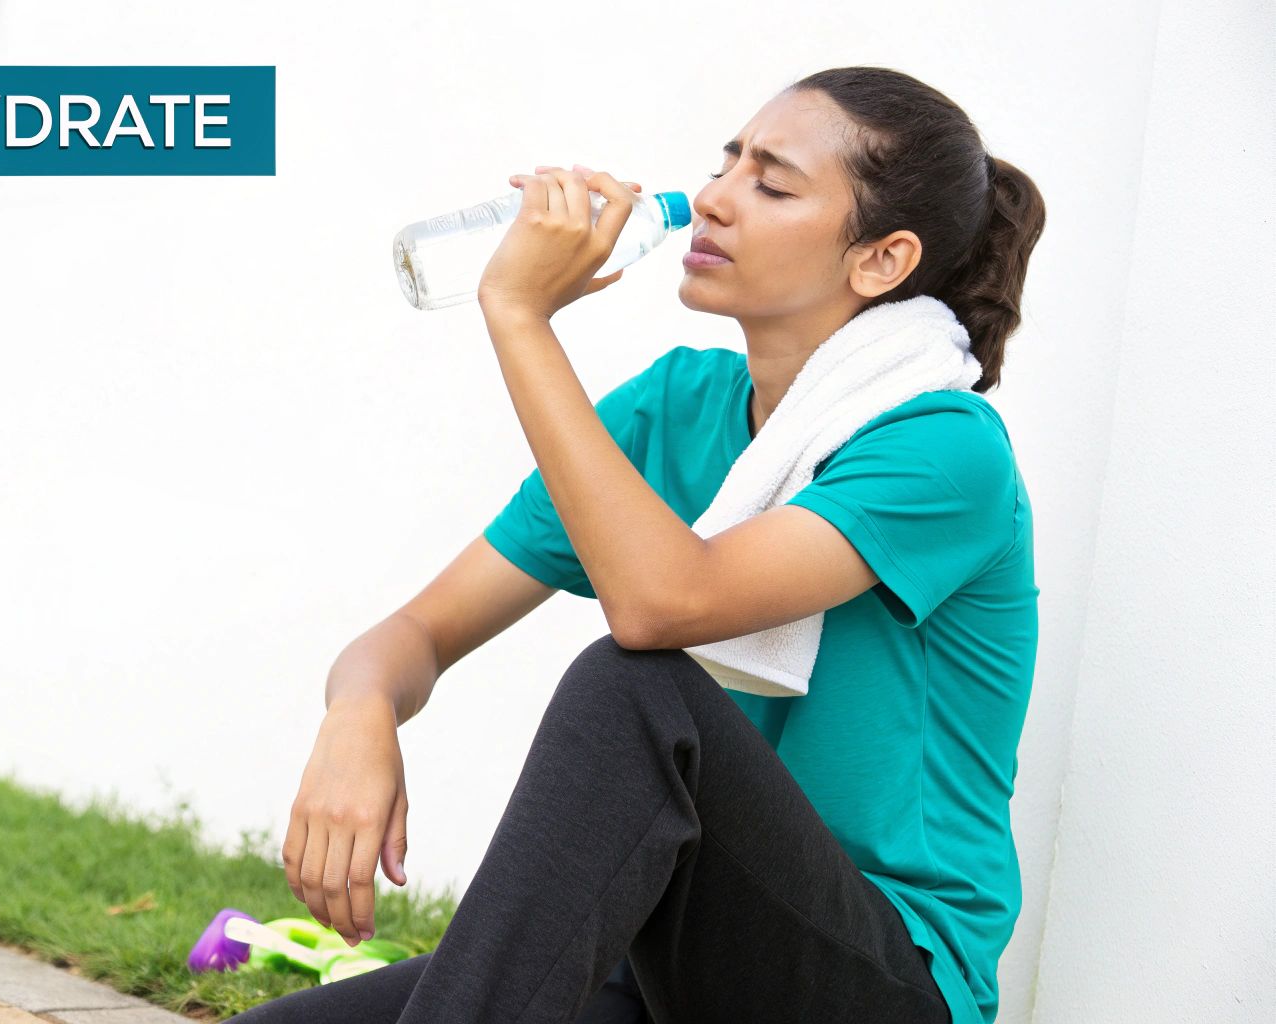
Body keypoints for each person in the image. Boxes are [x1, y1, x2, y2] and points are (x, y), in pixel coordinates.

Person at [229, 65, 1046, 1024]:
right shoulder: (678, 410)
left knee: (637, 686)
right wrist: (359, 709)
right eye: (727, 164)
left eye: (771, 185)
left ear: (880, 261)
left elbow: (665, 608)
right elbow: (418, 632)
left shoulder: (943, 448)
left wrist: (521, 316)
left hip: (881, 986)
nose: (712, 199)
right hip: (670, 967)